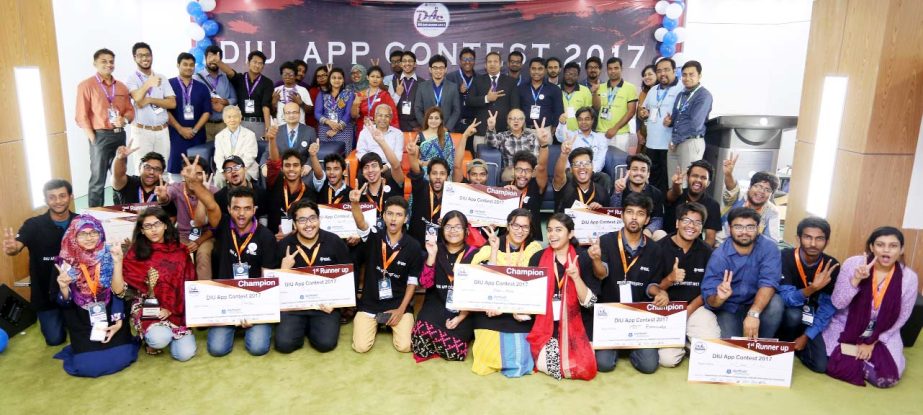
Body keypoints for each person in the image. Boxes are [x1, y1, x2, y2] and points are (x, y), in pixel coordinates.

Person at [183, 160, 280, 356]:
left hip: (254, 299)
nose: (241, 213)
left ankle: (249, 325)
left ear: (254, 210)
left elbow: (268, 279)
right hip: (226, 299)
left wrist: (256, 312)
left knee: (258, 348)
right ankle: (232, 325)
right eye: (236, 208)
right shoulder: (223, 226)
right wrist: (195, 184)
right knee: (217, 349)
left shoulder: (266, 237)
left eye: (247, 208)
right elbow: (210, 205)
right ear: (229, 209)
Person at [823, 227, 918, 388]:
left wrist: (871, 343)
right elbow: (838, 303)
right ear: (872, 247)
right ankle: (862, 362)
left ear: (901, 249)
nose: (886, 250)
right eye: (880, 245)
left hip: (883, 331)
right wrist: (856, 280)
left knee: (887, 379)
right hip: (846, 325)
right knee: (829, 361)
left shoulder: (909, 278)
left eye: (893, 246)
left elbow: (903, 316)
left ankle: (864, 360)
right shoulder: (853, 264)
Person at [587, 193, 666, 373]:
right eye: (629, 212)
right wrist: (596, 260)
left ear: (646, 219)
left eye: (640, 213)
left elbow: (652, 285)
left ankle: (629, 348)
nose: (634, 217)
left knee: (649, 366)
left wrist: (660, 292)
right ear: (622, 215)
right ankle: (617, 347)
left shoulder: (654, 249)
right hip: (611, 315)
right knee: (603, 364)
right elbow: (601, 274)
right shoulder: (606, 241)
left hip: (638, 319)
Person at [52, 215, 138, 377]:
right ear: (74, 236)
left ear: (101, 233)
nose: (89, 238)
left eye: (94, 232)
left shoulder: (110, 253)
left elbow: (118, 293)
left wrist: (118, 323)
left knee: (122, 357)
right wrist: (64, 288)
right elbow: (64, 304)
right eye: (83, 234)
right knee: (88, 366)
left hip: (111, 313)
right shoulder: (65, 260)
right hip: (81, 319)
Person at [116, 207, 197, 361]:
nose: (153, 230)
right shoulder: (135, 253)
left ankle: (171, 332)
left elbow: (188, 282)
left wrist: (171, 310)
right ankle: (151, 339)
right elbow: (129, 287)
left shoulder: (180, 251)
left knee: (184, 354)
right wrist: (157, 307)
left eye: (157, 224)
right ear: (141, 230)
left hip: (176, 309)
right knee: (159, 339)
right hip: (148, 306)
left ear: (166, 225)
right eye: (148, 226)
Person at [468, 209, 541, 377]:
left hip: (520, 310)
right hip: (491, 309)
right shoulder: (494, 243)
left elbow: (533, 287)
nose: (520, 230)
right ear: (508, 226)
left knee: (523, 358)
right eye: (516, 225)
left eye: (525, 227)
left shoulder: (534, 249)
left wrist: (510, 307)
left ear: (530, 230)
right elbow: (482, 279)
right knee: (487, 356)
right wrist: (493, 250)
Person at [348, 190, 422, 353]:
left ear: (406, 218)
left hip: (397, 304)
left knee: (405, 346)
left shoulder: (414, 246)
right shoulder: (375, 236)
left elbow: (412, 282)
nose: (394, 218)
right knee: (360, 347)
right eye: (390, 214)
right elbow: (361, 224)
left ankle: (388, 321)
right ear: (383, 216)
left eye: (399, 215)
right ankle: (379, 321)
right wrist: (354, 203)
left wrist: (401, 310)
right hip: (370, 303)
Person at [3, 180, 75, 345]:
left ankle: (71, 317)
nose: (58, 201)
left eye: (62, 196)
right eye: (52, 197)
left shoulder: (81, 222)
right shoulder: (33, 225)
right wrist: (12, 247)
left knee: (88, 333)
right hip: (45, 295)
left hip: (77, 294)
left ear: (70, 196)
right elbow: (16, 246)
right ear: (46, 200)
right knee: (55, 339)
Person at [275, 199, 352, 353]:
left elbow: (349, 277)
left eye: (312, 218)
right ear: (295, 224)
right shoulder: (284, 246)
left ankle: (311, 327)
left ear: (319, 219)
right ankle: (302, 326)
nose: (308, 225)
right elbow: (270, 286)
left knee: (325, 344)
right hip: (294, 307)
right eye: (302, 220)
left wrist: (337, 304)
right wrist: (283, 270)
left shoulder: (334, 241)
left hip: (325, 306)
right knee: (284, 345)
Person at [527, 213, 598, 380]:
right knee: (550, 365)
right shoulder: (538, 258)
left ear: (570, 234)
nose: (552, 234)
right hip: (547, 326)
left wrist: (575, 276)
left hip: (577, 324)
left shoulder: (584, 258)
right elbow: (530, 295)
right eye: (550, 230)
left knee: (586, 365)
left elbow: (590, 302)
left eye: (558, 230)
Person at [701, 207, 783, 338]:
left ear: (758, 228)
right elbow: (709, 295)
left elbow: (769, 282)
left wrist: (754, 314)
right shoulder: (719, 255)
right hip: (729, 306)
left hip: (758, 303)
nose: (744, 232)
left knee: (776, 303)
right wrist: (719, 298)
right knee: (733, 347)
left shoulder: (769, 248)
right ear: (729, 229)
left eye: (750, 227)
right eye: (738, 227)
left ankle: (762, 346)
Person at [655, 202, 720, 368]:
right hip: (666, 310)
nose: (691, 226)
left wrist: (688, 311)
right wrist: (670, 279)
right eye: (687, 220)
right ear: (677, 223)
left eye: (697, 223)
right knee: (667, 360)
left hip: (696, 308)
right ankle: (686, 343)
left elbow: (707, 290)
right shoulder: (658, 248)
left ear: (702, 227)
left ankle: (691, 340)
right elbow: (652, 287)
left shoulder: (707, 252)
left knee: (710, 353)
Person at [412, 211, 478, 362]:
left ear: (466, 231)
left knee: (455, 352)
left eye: (457, 227)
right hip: (437, 303)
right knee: (419, 341)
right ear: (442, 230)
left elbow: (477, 293)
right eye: (448, 227)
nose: (453, 231)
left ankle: (438, 342)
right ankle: (437, 341)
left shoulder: (475, 254)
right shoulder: (435, 249)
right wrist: (431, 255)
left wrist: (461, 317)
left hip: (464, 308)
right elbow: (425, 283)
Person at [777, 217, 841, 373]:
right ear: (798, 238)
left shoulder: (832, 265)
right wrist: (812, 289)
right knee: (793, 315)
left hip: (812, 317)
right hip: (788, 313)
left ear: (827, 241)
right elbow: (787, 299)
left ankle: (798, 345)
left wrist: (807, 336)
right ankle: (782, 343)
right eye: (808, 237)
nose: (813, 243)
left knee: (820, 366)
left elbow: (828, 307)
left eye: (819, 238)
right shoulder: (785, 257)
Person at [76, 48, 134, 207]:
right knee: (98, 180)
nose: (109, 64)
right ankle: (95, 217)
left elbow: (130, 110)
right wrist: (93, 138)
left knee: (119, 177)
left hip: (119, 135)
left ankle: (120, 211)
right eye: (104, 61)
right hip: (99, 136)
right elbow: (81, 115)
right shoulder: (86, 85)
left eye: (111, 61)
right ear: (95, 63)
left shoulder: (121, 87)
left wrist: (125, 119)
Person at [154, 156, 216, 280]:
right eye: (189, 173)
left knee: (203, 256)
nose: (193, 177)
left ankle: (204, 293)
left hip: (206, 235)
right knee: (176, 255)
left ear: (206, 175)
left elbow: (216, 227)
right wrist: (161, 197)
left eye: (198, 174)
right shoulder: (177, 188)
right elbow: (166, 197)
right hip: (183, 235)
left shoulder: (214, 192)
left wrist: (204, 194)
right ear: (183, 175)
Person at [126, 42, 176, 172]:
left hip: (162, 131)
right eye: (140, 55)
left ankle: (161, 193)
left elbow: (172, 103)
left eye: (147, 55)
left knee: (162, 170)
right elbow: (137, 97)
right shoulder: (131, 79)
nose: (145, 58)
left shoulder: (161, 78)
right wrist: (148, 83)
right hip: (142, 132)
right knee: (141, 171)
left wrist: (149, 99)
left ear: (152, 56)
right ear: (134, 58)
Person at [639, 58, 683, 192]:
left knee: (667, 182)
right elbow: (644, 109)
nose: (662, 73)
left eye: (666, 70)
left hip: (669, 145)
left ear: (674, 71)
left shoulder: (681, 89)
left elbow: (686, 116)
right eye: (659, 71)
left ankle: (665, 210)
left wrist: (673, 121)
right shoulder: (653, 90)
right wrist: (643, 113)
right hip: (651, 144)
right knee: (651, 181)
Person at [166, 52, 211, 181]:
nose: (188, 67)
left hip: (197, 136)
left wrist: (195, 130)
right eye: (185, 64)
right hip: (176, 136)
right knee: (176, 176)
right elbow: (165, 111)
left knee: (197, 172)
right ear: (178, 65)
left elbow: (207, 112)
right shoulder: (168, 85)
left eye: (191, 65)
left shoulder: (202, 87)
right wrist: (180, 129)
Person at [718, 154, 782, 244]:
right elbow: (731, 188)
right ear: (749, 187)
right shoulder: (738, 197)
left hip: (751, 252)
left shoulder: (772, 211)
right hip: (723, 245)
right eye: (758, 186)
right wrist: (728, 174)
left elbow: (772, 241)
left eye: (767, 190)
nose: (761, 191)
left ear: (771, 195)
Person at [665, 61, 712, 173]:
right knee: (673, 182)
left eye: (691, 74)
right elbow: (677, 117)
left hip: (690, 142)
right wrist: (669, 122)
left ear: (699, 76)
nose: (687, 78)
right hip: (675, 141)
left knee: (687, 182)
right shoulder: (681, 95)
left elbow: (695, 124)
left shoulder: (704, 95)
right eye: (684, 75)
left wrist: (675, 141)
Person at [466, 52, 520, 148]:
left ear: (500, 64)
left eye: (495, 61)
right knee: (480, 161)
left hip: (504, 131)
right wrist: (486, 98)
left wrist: (511, 126)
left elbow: (515, 107)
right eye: (489, 62)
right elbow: (469, 101)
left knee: (504, 161)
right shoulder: (477, 80)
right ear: (485, 65)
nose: (492, 64)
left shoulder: (510, 82)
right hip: (482, 130)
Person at [214, 50, 274, 135]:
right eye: (255, 62)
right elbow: (230, 72)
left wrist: (268, 129)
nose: (257, 65)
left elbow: (266, 107)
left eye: (260, 63)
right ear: (248, 62)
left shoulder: (267, 82)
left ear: (263, 66)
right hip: (241, 123)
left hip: (259, 124)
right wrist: (218, 62)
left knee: (259, 147)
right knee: (242, 148)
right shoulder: (240, 79)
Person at [265, 127, 310, 238]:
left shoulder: (309, 193)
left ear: (302, 168)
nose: (291, 169)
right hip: (273, 240)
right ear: (282, 168)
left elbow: (311, 223)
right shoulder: (275, 181)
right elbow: (274, 163)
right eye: (287, 165)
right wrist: (272, 139)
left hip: (299, 242)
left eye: (295, 165)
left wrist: (292, 234)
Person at [665, 159, 721, 247]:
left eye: (703, 178)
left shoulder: (713, 205)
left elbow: (710, 238)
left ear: (709, 183)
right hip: (667, 243)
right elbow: (671, 196)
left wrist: (702, 255)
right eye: (695, 176)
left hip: (694, 249)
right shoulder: (678, 193)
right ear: (687, 177)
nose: (698, 180)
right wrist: (676, 185)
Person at [610, 154, 666, 240]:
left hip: (645, 233)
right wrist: (618, 192)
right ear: (628, 172)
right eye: (635, 169)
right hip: (622, 230)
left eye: (643, 170)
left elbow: (657, 219)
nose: (639, 173)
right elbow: (613, 214)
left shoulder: (656, 193)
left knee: (660, 234)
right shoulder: (619, 187)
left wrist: (648, 230)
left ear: (648, 174)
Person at [405, 140, 450, 246]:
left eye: (442, 174)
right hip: (417, 246)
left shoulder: (452, 196)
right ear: (428, 175)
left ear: (447, 176)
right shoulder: (421, 187)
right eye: (434, 173)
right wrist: (412, 156)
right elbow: (416, 173)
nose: (438, 177)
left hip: (441, 248)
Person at [501, 146, 550, 243]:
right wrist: (503, 196)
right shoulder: (504, 188)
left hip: (532, 240)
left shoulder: (537, 186)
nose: (523, 174)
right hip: (507, 239)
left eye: (527, 171)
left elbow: (542, 167)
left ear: (532, 172)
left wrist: (544, 145)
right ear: (513, 170)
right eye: (519, 170)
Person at [595, 57, 638, 152]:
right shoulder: (600, 87)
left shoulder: (630, 87)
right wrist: (594, 93)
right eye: (610, 69)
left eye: (616, 68)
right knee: (599, 164)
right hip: (601, 133)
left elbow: (631, 112)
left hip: (620, 133)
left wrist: (615, 128)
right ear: (607, 71)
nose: (613, 71)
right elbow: (597, 107)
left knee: (619, 164)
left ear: (621, 69)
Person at [485, 109, 541, 181]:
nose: (516, 121)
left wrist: (525, 170)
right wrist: (491, 128)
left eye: (519, 119)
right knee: (510, 174)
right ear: (508, 121)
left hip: (528, 168)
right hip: (510, 169)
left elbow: (535, 157)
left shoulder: (532, 136)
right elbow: (491, 143)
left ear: (524, 121)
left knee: (537, 172)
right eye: (512, 118)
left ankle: (529, 191)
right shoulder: (503, 136)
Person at [552, 144, 610, 212]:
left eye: (586, 163)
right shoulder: (565, 185)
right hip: (564, 222)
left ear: (592, 166)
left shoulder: (602, 192)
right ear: (570, 169)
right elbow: (558, 176)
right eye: (577, 164)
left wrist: (600, 210)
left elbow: (606, 217)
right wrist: (564, 154)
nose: (582, 167)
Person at [198, 46, 238, 142]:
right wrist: (211, 104)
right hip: (204, 126)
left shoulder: (226, 77)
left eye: (216, 58)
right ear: (205, 58)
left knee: (225, 154)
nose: (213, 61)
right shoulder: (197, 78)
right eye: (210, 57)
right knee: (205, 155)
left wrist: (224, 102)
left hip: (223, 124)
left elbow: (234, 99)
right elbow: (194, 100)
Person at [414, 55, 461, 132]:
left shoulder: (453, 87)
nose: (438, 71)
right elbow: (417, 109)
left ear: (445, 69)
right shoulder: (422, 86)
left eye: (441, 68)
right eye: (435, 68)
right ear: (430, 69)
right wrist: (425, 126)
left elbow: (456, 110)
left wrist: (447, 128)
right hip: (427, 130)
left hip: (446, 130)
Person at [213, 106, 259, 186]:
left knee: (240, 179)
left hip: (245, 168)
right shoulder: (219, 136)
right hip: (226, 169)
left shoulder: (250, 135)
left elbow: (250, 156)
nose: (232, 120)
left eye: (235, 116)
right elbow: (218, 157)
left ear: (240, 118)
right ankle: (223, 198)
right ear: (224, 119)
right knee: (218, 179)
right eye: (229, 117)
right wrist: (224, 171)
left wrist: (237, 170)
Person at [555, 108, 608, 175]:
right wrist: (562, 123)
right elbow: (559, 137)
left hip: (592, 173)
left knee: (606, 179)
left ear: (592, 120)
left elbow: (601, 160)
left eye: (587, 119)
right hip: (572, 173)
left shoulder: (600, 138)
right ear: (577, 121)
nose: (583, 122)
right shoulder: (571, 136)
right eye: (580, 119)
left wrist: (591, 172)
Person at [314, 67, 357, 152]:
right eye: (334, 78)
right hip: (325, 130)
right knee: (325, 156)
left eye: (339, 78)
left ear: (343, 80)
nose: (337, 80)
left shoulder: (349, 94)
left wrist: (337, 129)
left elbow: (348, 114)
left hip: (344, 130)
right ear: (329, 79)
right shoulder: (322, 93)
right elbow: (317, 113)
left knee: (343, 158)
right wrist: (329, 122)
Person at [517, 58, 563, 136]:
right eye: (533, 69)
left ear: (545, 70)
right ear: (529, 70)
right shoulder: (521, 88)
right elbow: (517, 108)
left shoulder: (554, 89)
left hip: (545, 130)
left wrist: (554, 128)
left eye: (540, 69)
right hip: (524, 130)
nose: (536, 72)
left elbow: (558, 111)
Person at [351, 65, 399, 138]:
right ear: (367, 77)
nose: (375, 79)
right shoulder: (360, 94)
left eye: (378, 77)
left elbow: (393, 115)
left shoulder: (385, 95)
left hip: (381, 131)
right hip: (363, 129)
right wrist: (355, 104)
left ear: (382, 79)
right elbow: (354, 116)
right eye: (372, 76)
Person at [214, 155, 266, 221]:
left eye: (236, 167)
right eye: (228, 169)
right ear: (224, 175)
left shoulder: (260, 193)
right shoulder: (219, 197)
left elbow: (265, 217)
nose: (233, 171)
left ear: (245, 169)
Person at [389, 51, 424, 132]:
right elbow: (389, 107)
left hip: (417, 126)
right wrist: (397, 94)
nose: (407, 63)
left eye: (410, 61)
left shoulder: (423, 83)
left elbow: (425, 107)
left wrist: (422, 125)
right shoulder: (394, 82)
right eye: (404, 61)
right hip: (397, 126)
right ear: (401, 64)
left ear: (415, 64)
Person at [446, 47, 478, 133]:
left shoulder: (479, 78)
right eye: (464, 59)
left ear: (474, 61)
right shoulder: (450, 77)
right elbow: (445, 100)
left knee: (471, 147)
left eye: (471, 59)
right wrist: (458, 91)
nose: (467, 61)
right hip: (454, 125)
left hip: (473, 125)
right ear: (460, 61)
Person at [272, 61, 312, 125]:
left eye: (290, 74)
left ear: (295, 75)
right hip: (281, 127)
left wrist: (301, 103)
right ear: (281, 75)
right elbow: (271, 112)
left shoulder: (303, 90)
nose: (287, 76)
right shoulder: (276, 90)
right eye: (285, 74)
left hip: (299, 127)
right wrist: (273, 103)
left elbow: (310, 111)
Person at [559, 63, 594, 133]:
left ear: (578, 76)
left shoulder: (585, 91)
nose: (570, 77)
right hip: (559, 132)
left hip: (579, 133)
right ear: (564, 74)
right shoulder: (556, 89)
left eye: (574, 75)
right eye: (568, 74)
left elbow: (589, 114)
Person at [635, 64, 657, 152]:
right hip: (643, 134)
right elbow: (638, 117)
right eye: (644, 75)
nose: (646, 77)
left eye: (650, 74)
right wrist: (638, 133)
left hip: (657, 135)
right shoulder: (643, 93)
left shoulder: (663, 92)